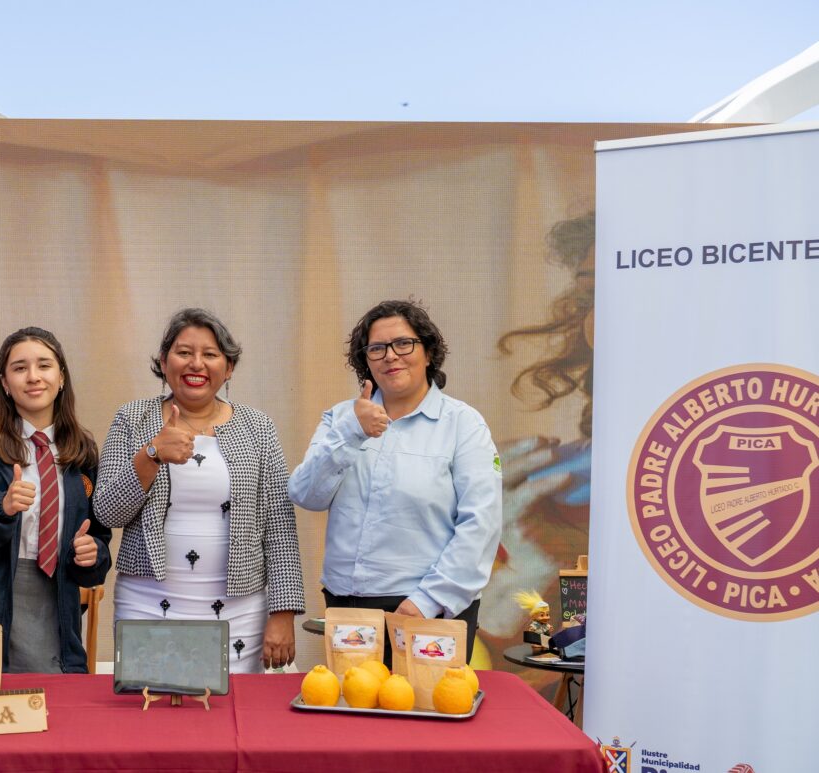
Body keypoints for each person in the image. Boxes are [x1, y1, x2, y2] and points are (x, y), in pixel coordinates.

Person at [288, 299, 502, 665]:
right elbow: (306, 494)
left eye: (404, 344)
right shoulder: (342, 418)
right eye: (377, 348)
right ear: (365, 361)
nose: (391, 356)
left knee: (424, 716)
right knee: (351, 714)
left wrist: (425, 601)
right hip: (348, 607)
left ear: (429, 352)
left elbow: (480, 526)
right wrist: (353, 432)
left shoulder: (463, 424)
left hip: (429, 609)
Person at [94, 308, 305, 674]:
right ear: (163, 361)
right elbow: (108, 512)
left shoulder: (258, 427)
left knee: (234, 719)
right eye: (183, 352)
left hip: (239, 612)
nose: (197, 364)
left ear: (229, 367)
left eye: (210, 354)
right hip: (147, 603)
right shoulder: (133, 418)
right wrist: (153, 452)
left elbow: (280, 528)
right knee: (150, 714)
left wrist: (283, 613)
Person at [0, 327, 111, 673]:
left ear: (61, 377)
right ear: (4, 383)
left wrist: (93, 555)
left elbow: (98, 540)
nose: (33, 377)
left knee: (55, 711)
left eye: (44, 366)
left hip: (55, 606)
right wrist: (0, 510)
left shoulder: (82, 453)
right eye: (19, 368)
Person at [476, 212, 594, 674]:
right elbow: (551, 660)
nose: (597, 319)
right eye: (588, 294)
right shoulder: (559, 501)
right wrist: (526, 568)